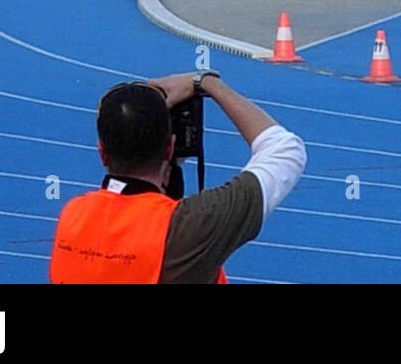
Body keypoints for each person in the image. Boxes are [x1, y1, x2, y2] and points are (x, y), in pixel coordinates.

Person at [49, 73, 306, 284]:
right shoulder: (191, 226)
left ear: (103, 153)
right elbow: (285, 150)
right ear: (170, 148)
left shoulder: (73, 216)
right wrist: (206, 82)